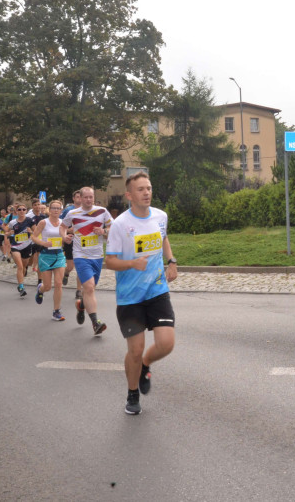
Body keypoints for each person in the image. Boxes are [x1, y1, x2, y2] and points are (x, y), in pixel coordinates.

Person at [105, 172, 178, 416]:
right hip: (130, 297)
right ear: (129, 195)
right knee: (134, 350)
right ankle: (132, 392)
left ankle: (146, 364)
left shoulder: (160, 216)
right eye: (140, 189)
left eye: (148, 188)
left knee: (166, 344)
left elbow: (163, 237)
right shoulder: (120, 224)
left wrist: (172, 261)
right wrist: (132, 264)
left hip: (157, 290)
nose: (146, 192)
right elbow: (110, 262)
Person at [63, 187, 113, 335]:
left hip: (97, 256)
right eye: (86, 197)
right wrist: (64, 236)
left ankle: (81, 306)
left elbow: (113, 227)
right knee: (89, 287)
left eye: (91, 197)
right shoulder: (72, 213)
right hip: (80, 255)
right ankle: (95, 323)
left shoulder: (102, 211)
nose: (89, 200)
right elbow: (62, 226)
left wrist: (104, 231)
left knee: (89, 289)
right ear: (80, 198)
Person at [32, 199, 68, 321]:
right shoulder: (43, 222)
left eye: (58, 208)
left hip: (59, 255)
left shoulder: (63, 223)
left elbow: (64, 237)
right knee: (48, 286)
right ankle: (40, 289)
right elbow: (33, 237)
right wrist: (43, 243)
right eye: (53, 208)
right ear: (49, 210)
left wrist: (67, 239)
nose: (56, 210)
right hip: (46, 256)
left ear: (61, 210)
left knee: (58, 284)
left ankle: (56, 311)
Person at [4, 204, 32, 297]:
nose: (22, 211)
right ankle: (21, 287)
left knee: (24, 267)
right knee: (19, 266)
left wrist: (30, 231)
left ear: (26, 210)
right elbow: (6, 232)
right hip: (15, 246)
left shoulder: (29, 220)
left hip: (27, 245)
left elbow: (36, 232)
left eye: (24, 209)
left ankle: (21, 282)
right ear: (16, 211)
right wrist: (9, 233)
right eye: (19, 209)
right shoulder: (12, 222)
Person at [60, 190, 82, 286]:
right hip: (71, 240)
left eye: (81, 197)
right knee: (70, 266)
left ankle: (79, 291)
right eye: (77, 197)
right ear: (73, 198)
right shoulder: (68, 210)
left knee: (81, 268)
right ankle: (66, 273)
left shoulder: (86, 210)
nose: (79, 199)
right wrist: (68, 231)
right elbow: (61, 226)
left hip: (82, 241)